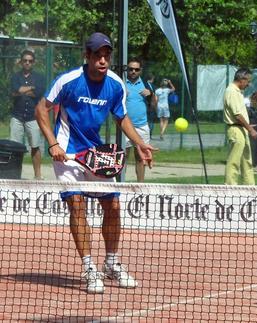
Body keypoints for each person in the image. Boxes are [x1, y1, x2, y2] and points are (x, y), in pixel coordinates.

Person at [35, 32, 156, 294]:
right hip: (67, 155)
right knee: (77, 207)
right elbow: (41, 109)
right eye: (97, 55)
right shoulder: (68, 81)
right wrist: (53, 144)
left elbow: (121, 117)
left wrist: (139, 143)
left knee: (112, 205)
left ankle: (111, 263)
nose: (103, 60)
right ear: (87, 56)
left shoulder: (115, 84)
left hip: (97, 155)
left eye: (106, 55)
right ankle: (90, 268)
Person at [10, 49, 46, 180]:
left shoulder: (39, 78)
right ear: (21, 62)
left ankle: (38, 176)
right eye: (25, 60)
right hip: (17, 116)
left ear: (33, 62)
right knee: (15, 149)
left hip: (33, 117)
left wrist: (22, 91)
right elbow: (15, 90)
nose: (27, 63)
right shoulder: (15, 77)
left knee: (35, 146)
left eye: (30, 61)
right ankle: (14, 175)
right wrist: (31, 88)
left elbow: (39, 92)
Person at [223, 68, 257, 185]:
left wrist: (247, 126)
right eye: (248, 81)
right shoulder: (231, 91)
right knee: (234, 160)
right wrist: (250, 129)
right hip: (235, 129)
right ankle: (230, 186)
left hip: (242, 128)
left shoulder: (237, 92)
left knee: (246, 160)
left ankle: (250, 187)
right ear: (241, 79)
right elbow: (237, 115)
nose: (249, 84)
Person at [125, 57, 155, 182]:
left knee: (140, 158)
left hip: (142, 126)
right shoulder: (121, 83)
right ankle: (119, 185)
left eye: (136, 69)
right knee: (122, 158)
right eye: (131, 69)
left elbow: (154, 107)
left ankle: (140, 187)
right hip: (124, 126)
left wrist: (151, 95)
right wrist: (121, 94)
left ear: (140, 71)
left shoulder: (147, 85)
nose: (133, 71)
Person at [144, 74, 157, 139]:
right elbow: (155, 97)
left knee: (146, 120)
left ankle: (147, 134)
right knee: (151, 121)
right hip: (150, 105)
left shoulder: (143, 85)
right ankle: (149, 134)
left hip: (145, 105)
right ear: (152, 79)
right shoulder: (153, 87)